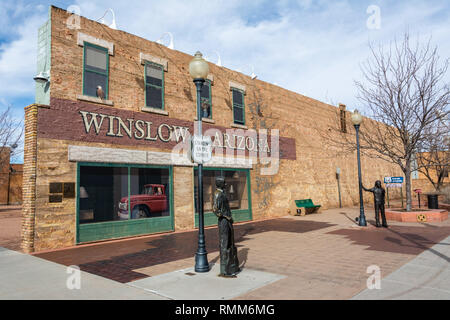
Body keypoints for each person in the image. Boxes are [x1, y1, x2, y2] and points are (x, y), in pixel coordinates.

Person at [213, 176, 240, 276]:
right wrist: (225, 216)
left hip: (228, 220)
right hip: (224, 221)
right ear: (219, 184)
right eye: (224, 183)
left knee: (230, 242)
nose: (226, 184)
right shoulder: (217, 194)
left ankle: (231, 266)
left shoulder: (222, 193)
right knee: (224, 243)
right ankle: (225, 270)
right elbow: (215, 209)